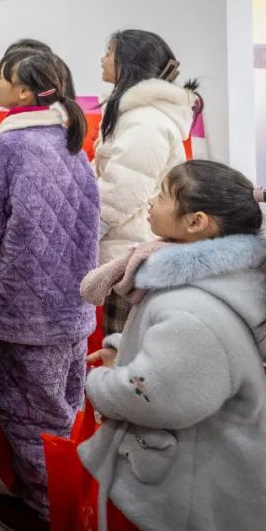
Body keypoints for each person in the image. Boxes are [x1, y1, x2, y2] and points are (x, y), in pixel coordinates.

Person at [79, 160, 266, 531]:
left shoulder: (195, 311)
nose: (150, 201)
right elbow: (174, 357)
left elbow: (154, 394)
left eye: (163, 194)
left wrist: (100, 382)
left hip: (203, 503)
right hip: (202, 478)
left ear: (197, 222)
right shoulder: (207, 280)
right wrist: (122, 350)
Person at [0, 50, 99, 531]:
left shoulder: (9, 147)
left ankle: (48, 514)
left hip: (27, 305)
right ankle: (72, 501)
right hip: (75, 301)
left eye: (3, 77)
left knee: (29, 412)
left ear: (24, 92)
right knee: (65, 406)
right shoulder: (70, 141)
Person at [95, 29, 201, 334]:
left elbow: (122, 193)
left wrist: (88, 232)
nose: (102, 59)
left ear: (129, 64)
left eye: (110, 53)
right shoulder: (136, 114)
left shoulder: (145, 122)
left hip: (132, 254)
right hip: (128, 248)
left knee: (124, 347)